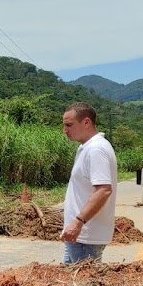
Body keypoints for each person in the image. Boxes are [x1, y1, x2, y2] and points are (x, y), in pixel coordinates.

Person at [59, 102, 118, 263]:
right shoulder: (87, 148)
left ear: (86, 122)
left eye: (69, 125)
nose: (65, 130)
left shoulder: (96, 150)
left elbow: (104, 190)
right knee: (70, 284)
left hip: (85, 238)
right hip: (79, 237)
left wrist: (78, 222)